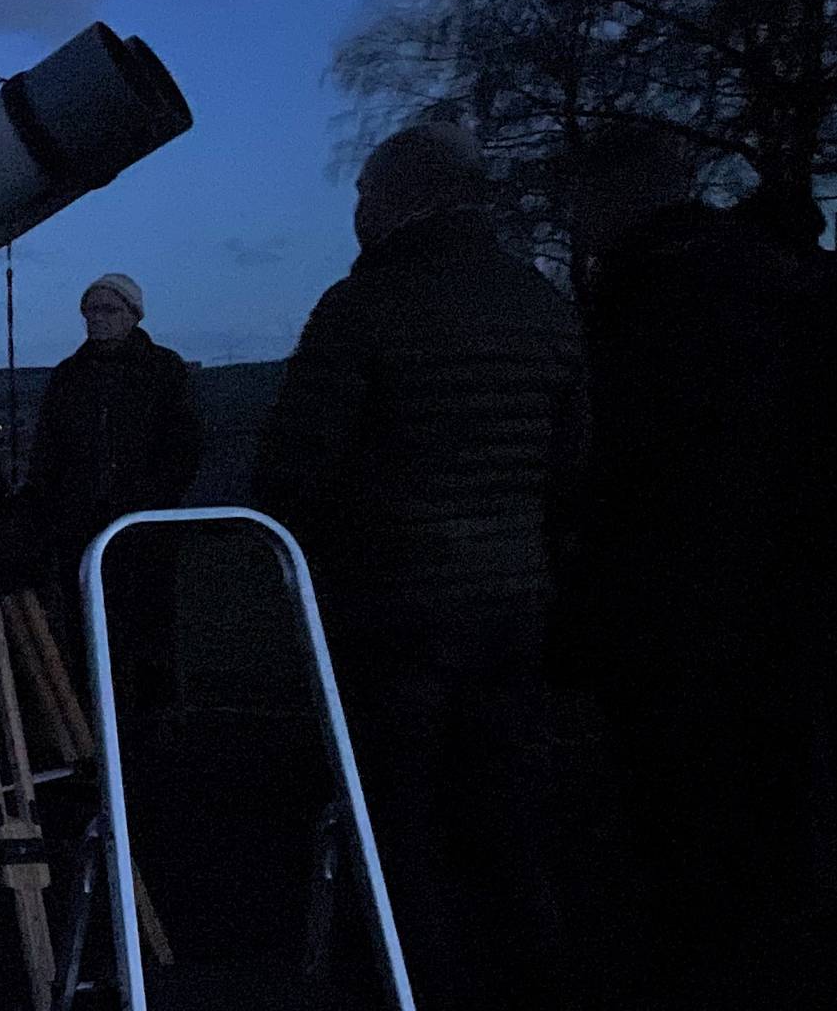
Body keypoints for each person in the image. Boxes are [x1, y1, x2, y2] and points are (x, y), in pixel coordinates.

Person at [252, 120, 583, 1010]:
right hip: (513, 604)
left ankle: (418, 986)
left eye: (363, 196)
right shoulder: (542, 304)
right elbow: (574, 465)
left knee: (400, 825)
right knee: (509, 823)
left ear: (399, 198)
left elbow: (293, 467)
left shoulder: (364, 309)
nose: (356, 214)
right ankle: (539, 980)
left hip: (394, 607)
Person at [558, 175, 837, 1004]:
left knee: (684, 789)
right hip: (783, 572)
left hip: (676, 579)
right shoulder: (784, 287)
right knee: (778, 766)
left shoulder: (653, 294)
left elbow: (617, 452)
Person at [25, 273, 201, 714]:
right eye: (91, 310)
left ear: (132, 315)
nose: (97, 319)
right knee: (88, 628)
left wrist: (151, 499)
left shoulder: (164, 369)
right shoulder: (69, 375)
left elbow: (183, 443)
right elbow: (49, 448)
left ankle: (156, 726)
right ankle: (96, 724)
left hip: (145, 528)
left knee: (149, 628)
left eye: (108, 310)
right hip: (80, 528)